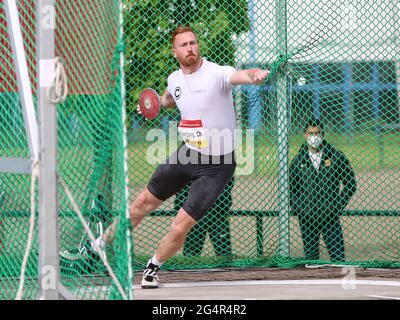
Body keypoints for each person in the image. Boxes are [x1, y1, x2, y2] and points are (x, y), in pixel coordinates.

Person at [63, 25, 269, 289]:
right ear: (175, 52)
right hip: (188, 154)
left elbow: (240, 75)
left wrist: (254, 75)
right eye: (183, 45)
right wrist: (154, 104)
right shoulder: (175, 79)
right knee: (142, 202)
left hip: (217, 166)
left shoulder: (217, 73)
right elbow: (170, 98)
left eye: (193, 43)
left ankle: (153, 267)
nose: (190, 48)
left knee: (180, 224)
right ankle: (98, 247)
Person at [289, 118, 357, 262]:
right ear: (305, 135)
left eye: (317, 133)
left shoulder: (336, 157)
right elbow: (291, 190)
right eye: (311, 133)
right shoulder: (298, 160)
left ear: (323, 134)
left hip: (330, 217)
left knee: (338, 260)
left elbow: (350, 184)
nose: (314, 136)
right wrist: (300, 209)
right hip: (307, 218)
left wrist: (337, 206)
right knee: (311, 262)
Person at [177, 176, 234, 257]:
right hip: (194, 212)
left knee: (224, 254)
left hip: (217, 211)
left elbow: (229, 181)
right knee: (191, 256)